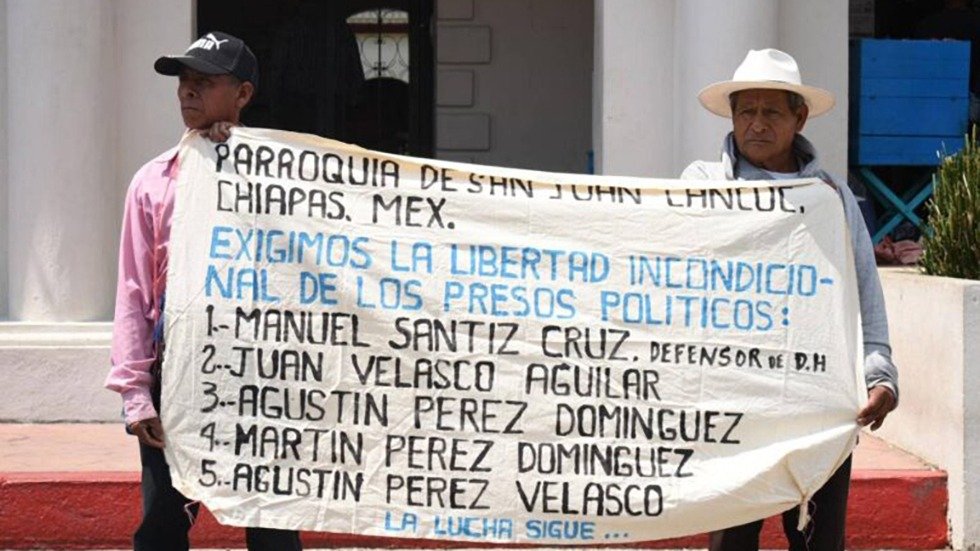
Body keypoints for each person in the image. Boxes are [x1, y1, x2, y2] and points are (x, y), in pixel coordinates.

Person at [681, 49, 899, 551]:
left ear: (799, 119)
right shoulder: (702, 187)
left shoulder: (832, 197)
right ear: (732, 117)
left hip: (817, 403)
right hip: (733, 401)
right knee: (732, 540)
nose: (756, 124)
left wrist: (880, 372)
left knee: (817, 540)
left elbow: (863, 291)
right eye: (746, 111)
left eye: (771, 112)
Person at [104, 31, 303, 551]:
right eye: (184, 81)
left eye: (205, 82)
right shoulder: (153, 182)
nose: (188, 91)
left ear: (242, 95)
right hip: (177, 372)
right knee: (163, 522)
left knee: (272, 523)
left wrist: (239, 161)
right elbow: (134, 293)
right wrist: (135, 396)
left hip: (262, 373)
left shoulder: (284, 180)